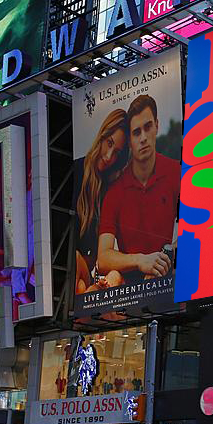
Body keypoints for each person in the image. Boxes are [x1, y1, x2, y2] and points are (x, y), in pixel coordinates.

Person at [96, 95, 179, 285]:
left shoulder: (176, 172)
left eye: (148, 127)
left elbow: (197, 228)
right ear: (129, 141)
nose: (143, 138)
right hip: (129, 292)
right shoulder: (115, 192)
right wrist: (141, 260)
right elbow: (103, 257)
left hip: (170, 281)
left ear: (157, 125)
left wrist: (164, 260)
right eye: (136, 132)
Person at [76, 109, 128, 294]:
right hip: (71, 271)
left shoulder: (110, 188)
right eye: (109, 144)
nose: (108, 157)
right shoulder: (76, 171)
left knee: (100, 282)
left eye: (116, 153)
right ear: (102, 135)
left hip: (89, 275)